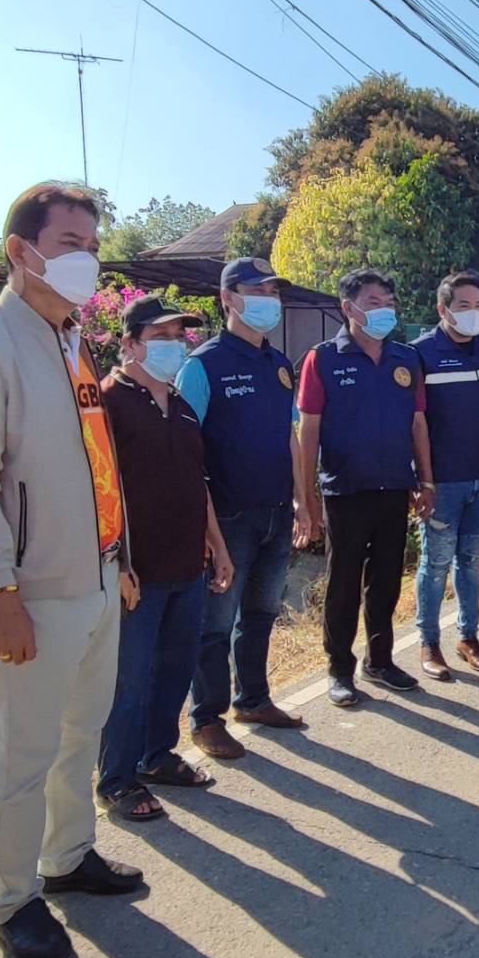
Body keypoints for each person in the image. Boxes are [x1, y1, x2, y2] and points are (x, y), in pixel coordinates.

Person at [0, 182, 142, 958]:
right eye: (71, 243)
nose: (88, 260)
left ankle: (67, 854)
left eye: (94, 247)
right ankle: (11, 896)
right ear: (21, 251)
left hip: (98, 577)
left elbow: (97, 466)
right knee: (21, 754)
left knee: (81, 734)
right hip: (32, 593)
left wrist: (121, 559)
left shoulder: (72, 342)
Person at [96, 296, 234, 821]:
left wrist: (217, 546)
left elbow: (198, 484)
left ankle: (157, 756)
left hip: (187, 564)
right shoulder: (108, 403)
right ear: (130, 344)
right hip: (137, 571)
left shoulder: (180, 405)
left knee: (174, 669)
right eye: (161, 337)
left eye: (180, 337)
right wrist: (117, 563)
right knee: (129, 679)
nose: (175, 346)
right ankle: (117, 779)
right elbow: (99, 492)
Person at [177, 257, 312, 759]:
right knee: (214, 624)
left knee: (261, 612)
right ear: (228, 298)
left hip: (276, 512)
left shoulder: (278, 364)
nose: (269, 301)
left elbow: (290, 435)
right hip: (228, 518)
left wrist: (302, 499)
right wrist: (206, 529)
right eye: (257, 291)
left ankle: (252, 699)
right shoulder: (203, 365)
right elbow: (184, 452)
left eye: (273, 292)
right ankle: (206, 719)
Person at [297, 269, 431, 707]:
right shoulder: (323, 359)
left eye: (389, 303)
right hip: (345, 491)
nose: (385, 311)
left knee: (387, 580)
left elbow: (417, 423)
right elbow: (308, 429)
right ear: (348, 308)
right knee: (343, 584)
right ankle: (340, 668)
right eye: (374, 302)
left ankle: (380, 660)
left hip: (395, 488)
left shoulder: (406, 359)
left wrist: (425, 479)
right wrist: (306, 495)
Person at [411, 270, 479, 681]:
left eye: (478, 305)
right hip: (441, 484)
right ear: (442, 309)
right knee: (435, 564)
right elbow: (414, 423)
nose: (473, 313)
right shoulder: (420, 353)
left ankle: (468, 637)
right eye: (464, 305)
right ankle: (429, 642)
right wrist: (422, 480)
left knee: (470, 562)